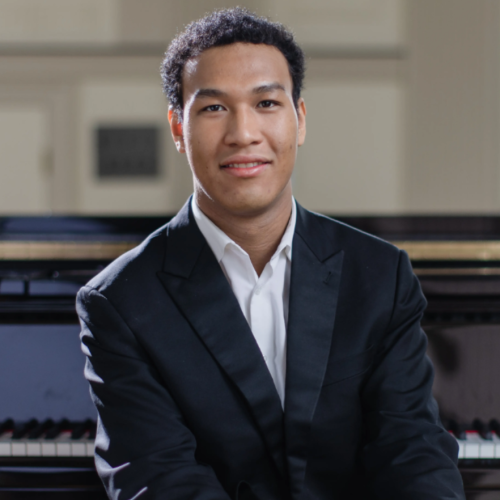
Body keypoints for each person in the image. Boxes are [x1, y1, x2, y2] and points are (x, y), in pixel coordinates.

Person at [77, 8, 465, 500]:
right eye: (214, 108)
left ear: (299, 120)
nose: (243, 133)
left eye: (265, 103)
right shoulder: (120, 301)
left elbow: (411, 452)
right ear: (178, 128)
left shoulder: (380, 275)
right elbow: (161, 478)